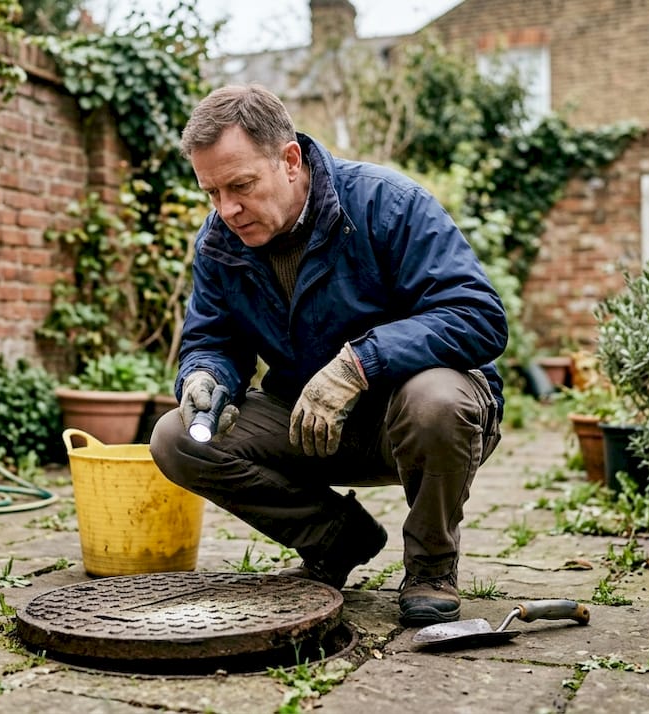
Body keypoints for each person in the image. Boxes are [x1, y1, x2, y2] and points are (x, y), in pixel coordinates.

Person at [148, 84, 507, 626]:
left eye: (241, 185)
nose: (228, 209)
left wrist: (358, 364)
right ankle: (338, 541)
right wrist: (204, 375)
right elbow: (212, 339)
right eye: (212, 193)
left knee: (436, 398)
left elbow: (477, 316)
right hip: (311, 424)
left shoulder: (386, 203)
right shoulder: (219, 242)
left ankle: (431, 565)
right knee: (176, 438)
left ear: (290, 160)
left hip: (414, 421)